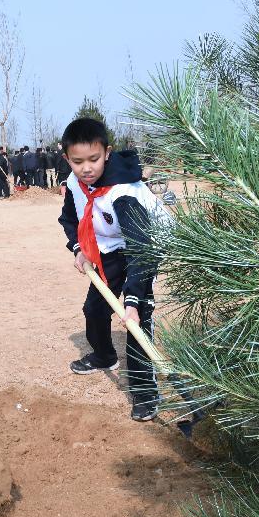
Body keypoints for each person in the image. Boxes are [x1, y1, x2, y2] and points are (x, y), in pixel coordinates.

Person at [57, 117, 171, 422]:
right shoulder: (74, 184)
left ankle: (146, 393)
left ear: (107, 153)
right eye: (78, 161)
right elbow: (69, 219)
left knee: (136, 321)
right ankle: (104, 355)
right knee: (94, 309)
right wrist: (79, 249)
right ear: (66, 157)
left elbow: (142, 247)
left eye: (94, 159)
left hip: (144, 246)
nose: (86, 168)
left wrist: (132, 301)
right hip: (110, 248)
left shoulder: (123, 193)